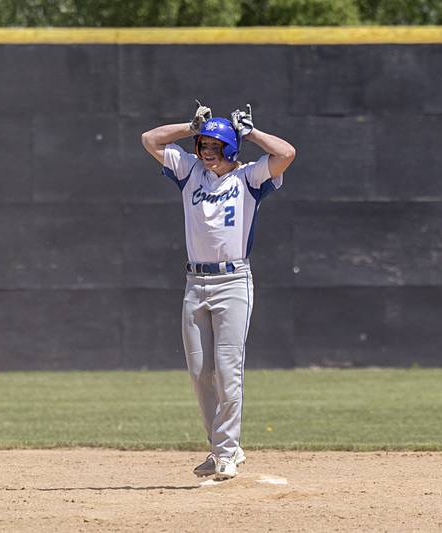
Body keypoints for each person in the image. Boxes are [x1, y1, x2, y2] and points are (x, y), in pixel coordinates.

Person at [141, 101, 296, 480]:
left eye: (215, 146)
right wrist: (190, 126)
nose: (207, 152)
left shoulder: (249, 177)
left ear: (231, 149)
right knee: (199, 371)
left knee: (228, 370)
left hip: (232, 282)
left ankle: (226, 452)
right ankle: (222, 447)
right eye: (203, 146)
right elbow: (150, 139)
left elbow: (286, 153)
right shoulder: (190, 172)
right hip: (195, 282)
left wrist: (250, 132)